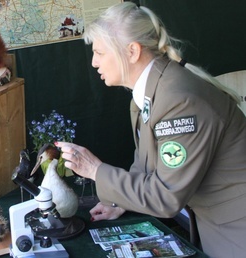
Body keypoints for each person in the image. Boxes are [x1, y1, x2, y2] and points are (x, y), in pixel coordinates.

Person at [55, 2, 246, 258]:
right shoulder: (150, 91)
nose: (93, 62)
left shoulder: (178, 102)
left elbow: (165, 196)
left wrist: (95, 170)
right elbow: (146, 165)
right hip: (212, 221)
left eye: (100, 52)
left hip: (234, 232)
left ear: (132, 51)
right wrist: (120, 201)